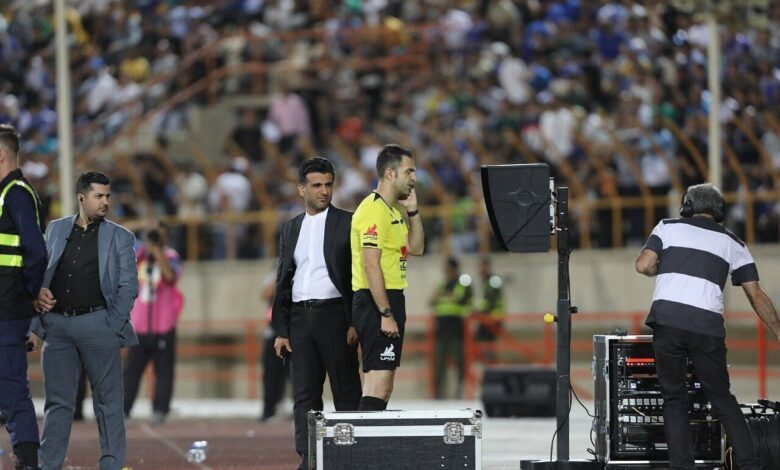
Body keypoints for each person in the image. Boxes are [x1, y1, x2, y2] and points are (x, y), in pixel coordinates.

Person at [635, 183, 780, 470]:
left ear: (686, 207)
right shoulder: (733, 242)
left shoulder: (667, 227)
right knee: (722, 399)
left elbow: (643, 265)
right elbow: (756, 295)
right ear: (719, 211)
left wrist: (661, 268)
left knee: (674, 399)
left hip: (668, 321)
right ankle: (750, 465)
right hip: (706, 327)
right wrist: (778, 331)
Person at [32, 171, 139, 470]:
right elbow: (42, 271)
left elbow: (129, 286)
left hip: (99, 324)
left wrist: (112, 324)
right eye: (98, 196)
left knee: (108, 404)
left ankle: (111, 465)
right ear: (81, 198)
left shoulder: (121, 236)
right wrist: (38, 301)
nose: (105, 202)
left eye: (107, 196)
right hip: (57, 327)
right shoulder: (55, 229)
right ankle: (48, 465)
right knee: (57, 404)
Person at [271, 157, 362, 470]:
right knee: (304, 396)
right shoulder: (290, 228)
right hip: (300, 319)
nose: (324, 191)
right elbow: (284, 280)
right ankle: (309, 459)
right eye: (316, 185)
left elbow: (358, 277)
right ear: (302, 189)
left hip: (335, 316)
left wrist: (355, 321)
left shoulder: (348, 222)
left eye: (328, 185)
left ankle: (350, 458)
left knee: (346, 392)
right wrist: (281, 330)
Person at [351, 144, 424, 411]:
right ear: (390, 173)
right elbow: (371, 266)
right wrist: (385, 312)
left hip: (390, 298)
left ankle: (365, 436)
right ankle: (360, 437)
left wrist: (413, 211)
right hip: (376, 302)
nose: (414, 178)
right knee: (377, 384)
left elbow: (416, 248)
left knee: (383, 384)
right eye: (409, 171)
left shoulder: (392, 210)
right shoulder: (373, 211)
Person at [0, 124, 47, 470]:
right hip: (5, 305)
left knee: (11, 386)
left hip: (7, 308)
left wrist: (29, 296)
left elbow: (36, 252)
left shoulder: (15, 193)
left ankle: (28, 461)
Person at [123, 220, 184, 424]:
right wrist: (143, 227)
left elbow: (170, 276)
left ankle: (160, 409)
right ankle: (124, 409)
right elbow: (119, 235)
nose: (157, 237)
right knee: (131, 371)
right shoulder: (139, 253)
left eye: (160, 233)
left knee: (164, 372)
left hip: (163, 324)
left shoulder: (171, 256)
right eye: (154, 233)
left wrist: (157, 251)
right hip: (140, 324)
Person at [430, 256, 472, 399]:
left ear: (453, 268)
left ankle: (459, 392)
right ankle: (439, 394)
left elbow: (463, 301)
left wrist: (443, 297)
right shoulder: (441, 283)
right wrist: (447, 297)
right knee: (439, 363)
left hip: (456, 329)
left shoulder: (462, 283)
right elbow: (432, 301)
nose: (444, 269)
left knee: (460, 361)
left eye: (446, 267)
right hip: (441, 329)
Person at [259, 269, 289, 422]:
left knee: (295, 374)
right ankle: (269, 410)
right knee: (271, 374)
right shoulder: (275, 271)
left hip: (292, 331)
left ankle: (298, 411)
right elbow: (265, 294)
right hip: (272, 332)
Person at [474, 256, 505, 362]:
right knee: (483, 340)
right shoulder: (486, 281)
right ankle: (487, 360)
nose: (480, 269)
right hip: (486, 317)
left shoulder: (492, 281)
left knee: (489, 342)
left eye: (482, 266)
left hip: (492, 317)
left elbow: (489, 300)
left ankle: (490, 362)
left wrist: (477, 309)